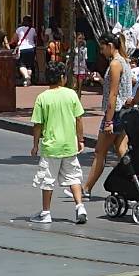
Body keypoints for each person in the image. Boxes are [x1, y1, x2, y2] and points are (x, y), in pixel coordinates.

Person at [29, 63, 88, 225]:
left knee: (47, 180)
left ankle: (46, 212)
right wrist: (80, 139)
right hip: (69, 145)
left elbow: (38, 125)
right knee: (74, 177)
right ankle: (80, 207)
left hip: (51, 147)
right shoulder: (71, 95)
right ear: (62, 78)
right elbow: (79, 119)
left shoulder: (42, 97)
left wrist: (35, 145)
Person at [80, 30, 133, 202]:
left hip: (115, 113)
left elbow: (113, 95)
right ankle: (136, 185)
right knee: (121, 151)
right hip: (124, 112)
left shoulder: (116, 64)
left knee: (99, 152)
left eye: (102, 48)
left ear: (110, 46)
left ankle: (86, 188)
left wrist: (108, 120)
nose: (101, 52)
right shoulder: (124, 62)